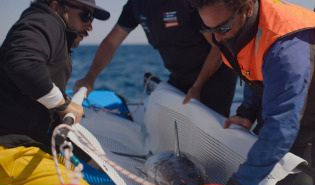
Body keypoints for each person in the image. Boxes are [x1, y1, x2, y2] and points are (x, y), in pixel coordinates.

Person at [188, 0, 315, 185]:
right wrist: (247, 111)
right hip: (297, 103)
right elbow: (252, 69)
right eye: (208, 29)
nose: (217, 37)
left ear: (247, 9)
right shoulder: (231, 32)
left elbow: (281, 126)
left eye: (223, 27)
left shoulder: (286, 46)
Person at [0, 0, 110, 185]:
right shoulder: (45, 20)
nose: (90, 25)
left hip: (25, 148)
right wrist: (62, 105)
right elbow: (23, 62)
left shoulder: (50, 28)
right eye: (86, 15)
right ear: (56, 6)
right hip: (12, 153)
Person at [73, 0, 237, 118]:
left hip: (214, 77)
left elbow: (218, 47)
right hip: (180, 78)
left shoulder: (187, 4)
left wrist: (197, 86)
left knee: (207, 131)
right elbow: (111, 43)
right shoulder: (135, 6)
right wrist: (90, 77)